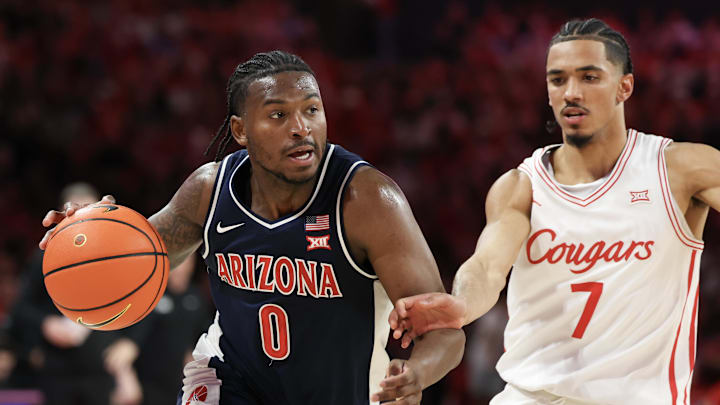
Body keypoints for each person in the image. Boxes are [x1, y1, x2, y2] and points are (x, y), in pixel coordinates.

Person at [40, 51, 465, 405]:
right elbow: (137, 258)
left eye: (312, 110)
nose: (301, 128)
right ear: (241, 131)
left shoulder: (368, 200)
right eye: (278, 115)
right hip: (228, 378)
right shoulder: (209, 190)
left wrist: (417, 374)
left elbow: (445, 332)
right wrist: (91, 234)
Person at [388, 18, 720, 404]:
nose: (571, 92)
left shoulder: (679, 169)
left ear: (624, 86)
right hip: (530, 396)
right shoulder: (521, 186)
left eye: (589, 77)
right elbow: (487, 266)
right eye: (558, 79)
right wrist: (461, 305)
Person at [12, 182, 144, 405]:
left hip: (101, 368)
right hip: (58, 370)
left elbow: (140, 301)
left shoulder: (118, 253)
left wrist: (130, 345)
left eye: (89, 209)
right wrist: (45, 323)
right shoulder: (44, 257)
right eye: (74, 211)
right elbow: (21, 308)